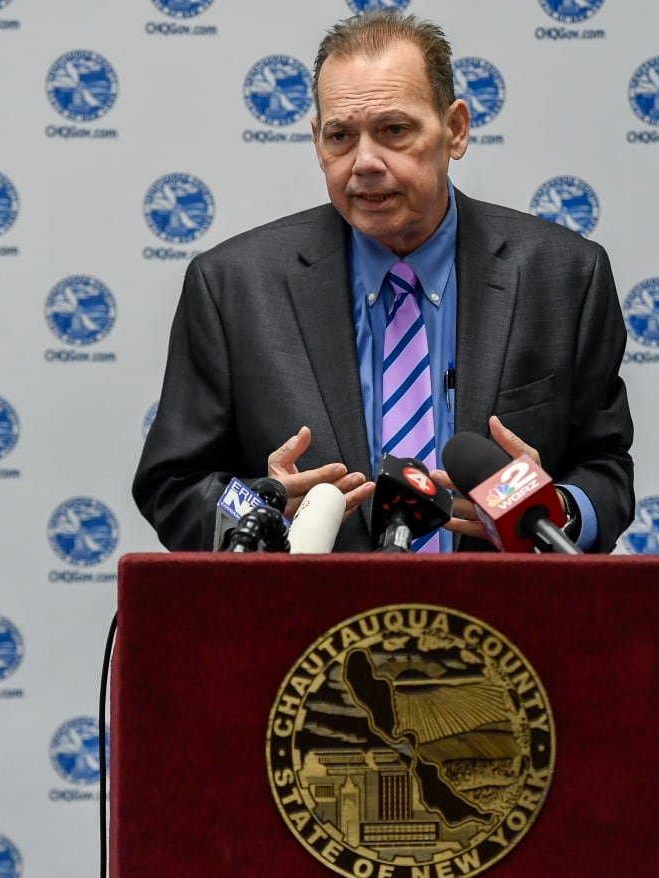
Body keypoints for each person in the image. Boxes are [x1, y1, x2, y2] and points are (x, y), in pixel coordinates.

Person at [133, 11, 633, 553]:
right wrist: (263, 505)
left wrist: (554, 509)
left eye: (394, 130)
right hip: (310, 631)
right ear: (316, 142)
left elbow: (605, 471)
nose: (365, 162)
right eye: (341, 137)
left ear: (456, 130)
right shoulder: (233, 287)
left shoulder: (563, 277)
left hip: (500, 627)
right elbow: (174, 487)